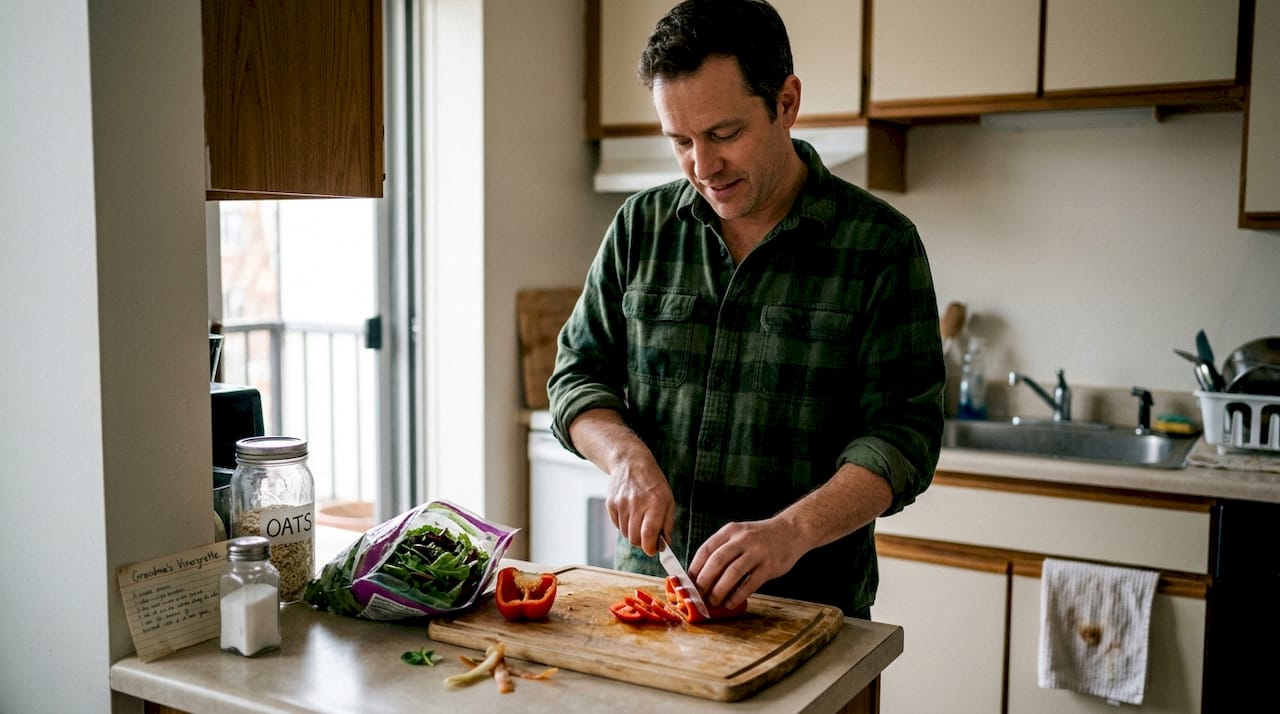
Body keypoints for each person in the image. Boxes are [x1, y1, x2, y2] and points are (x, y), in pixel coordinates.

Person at [547, 0, 943, 619]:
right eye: (680, 141)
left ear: (786, 103)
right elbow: (577, 376)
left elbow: (905, 435)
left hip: (810, 612)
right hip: (653, 598)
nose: (702, 167)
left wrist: (791, 531)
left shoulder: (880, 245)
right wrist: (625, 456)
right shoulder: (640, 227)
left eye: (724, 134)